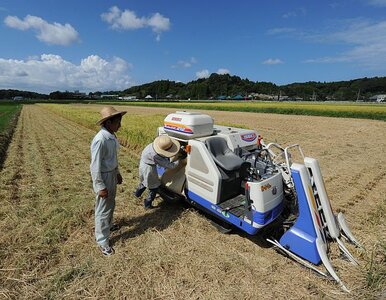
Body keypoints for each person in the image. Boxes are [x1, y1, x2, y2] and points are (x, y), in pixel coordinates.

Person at [90, 106, 126, 256]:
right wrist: (100, 186)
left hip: (111, 174)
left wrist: (117, 173)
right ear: (109, 122)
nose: (120, 125)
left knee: (111, 203)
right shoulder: (101, 139)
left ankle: (109, 226)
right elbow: (95, 165)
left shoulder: (111, 136)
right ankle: (103, 242)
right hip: (103, 176)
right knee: (103, 209)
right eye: (117, 122)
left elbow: (112, 158)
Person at [134, 135, 180, 209]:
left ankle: (137, 194)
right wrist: (179, 160)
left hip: (143, 164)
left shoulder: (153, 145)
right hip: (148, 169)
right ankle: (147, 204)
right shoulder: (155, 156)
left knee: (144, 181)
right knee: (154, 187)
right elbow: (170, 166)